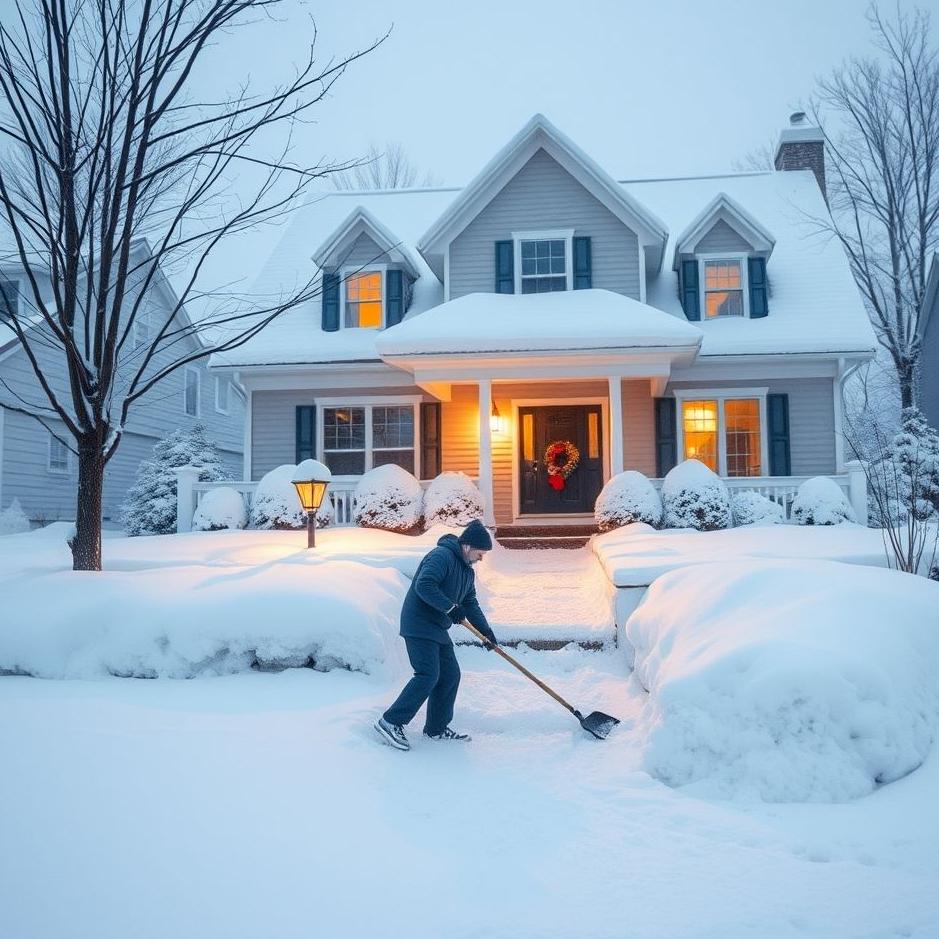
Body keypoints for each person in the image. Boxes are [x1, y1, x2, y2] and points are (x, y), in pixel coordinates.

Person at [374, 519, 498, 751]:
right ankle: (390, 722)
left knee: (450, 674)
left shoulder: (466, 572)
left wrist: (486, 633)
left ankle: (436, 728)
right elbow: (425, 585)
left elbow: (470, 603)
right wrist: (450, 607)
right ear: (468, 546)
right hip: (418, 624)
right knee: (427, 675)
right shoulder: (441, 556)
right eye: (480, 554)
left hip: (437, 628)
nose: (481, 559)